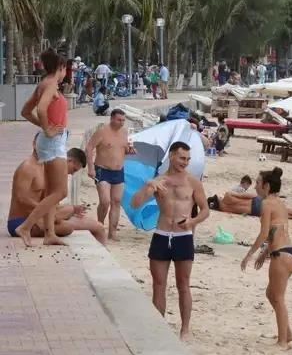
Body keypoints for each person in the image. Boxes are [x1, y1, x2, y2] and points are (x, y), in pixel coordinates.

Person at [129, 142, 209, 340]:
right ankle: (159, 328)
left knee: (183, 284)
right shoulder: (159, 181)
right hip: (162, 234)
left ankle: (185, 329)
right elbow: (135, 203)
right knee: (158, 284)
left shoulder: (192, 182)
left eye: (188, 159)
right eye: (182, 158)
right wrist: (148, 185)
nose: (185, 162)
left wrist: (192, 221)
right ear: (172, 156)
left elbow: (206, 209)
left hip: (183, 236)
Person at [241, 169, 292, 349]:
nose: (255, 186)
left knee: (278, 297)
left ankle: (283, 341)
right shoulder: (280, 203)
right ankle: (287, 333)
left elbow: (264, 233)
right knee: (271, 294)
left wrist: (249, 254)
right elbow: (278, 231)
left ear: (266, 186)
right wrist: (264, 253)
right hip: (290, 253)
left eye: (258, 183)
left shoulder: (266, 204)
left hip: (282, 255)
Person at [15, 49, 70, 247]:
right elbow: (40, 109)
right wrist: (47, 129)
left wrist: (44, 128)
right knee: (60, 191)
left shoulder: (44, 83)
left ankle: (49, 234)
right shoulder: (51, 84)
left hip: (50, 140)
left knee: (50, 191)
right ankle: (26, 226)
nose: (66, 73)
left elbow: (25, 111)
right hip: (53, 142)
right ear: (61, 68)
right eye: (66, 69)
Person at [8, 146, 105, 244]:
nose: (72, 174)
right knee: (67, 227)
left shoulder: (45, 169)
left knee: (97, 226)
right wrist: (44, 210)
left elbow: (47, 201)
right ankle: (47, 224)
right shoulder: (27, 168)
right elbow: (21, 198)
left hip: (37, 216)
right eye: (74, 169)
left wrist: (63, 210)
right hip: (19, 221)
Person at [86, 109, 133, 241]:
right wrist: (90, 168)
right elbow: (89, 148)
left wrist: (130, 151)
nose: (121, 123)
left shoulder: (125, 132)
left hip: (119, 171)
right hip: (103, 169)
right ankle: (99, 227)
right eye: (119, 120)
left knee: (116, 201)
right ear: (112, 119)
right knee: (105, 201)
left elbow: (124, 149)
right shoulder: (102, 132)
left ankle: (112, 233)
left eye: (123, 120)